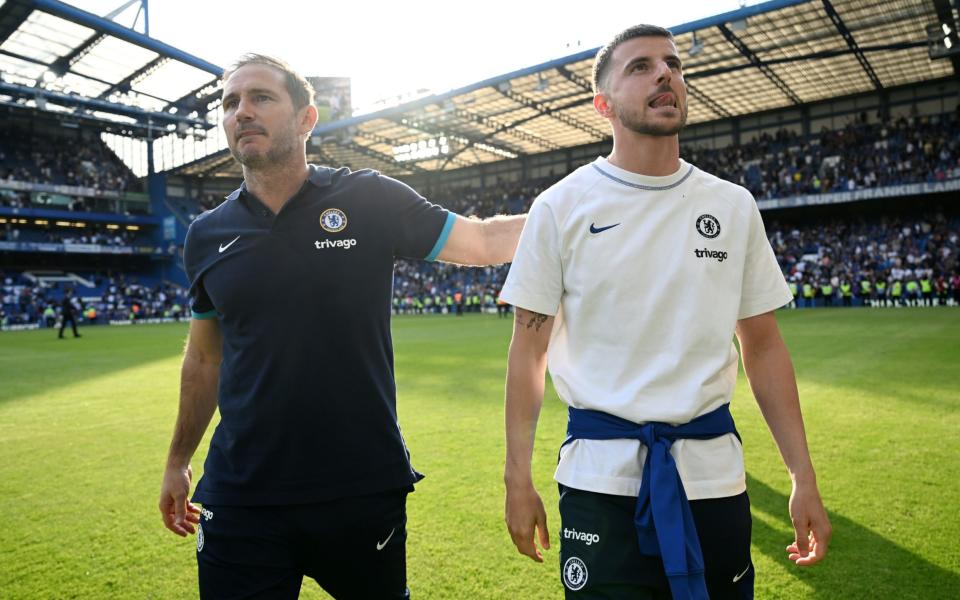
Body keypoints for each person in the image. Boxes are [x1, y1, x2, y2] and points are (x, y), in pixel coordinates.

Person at [158, 54, 525, 599]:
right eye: (230, 103)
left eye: (261, 98)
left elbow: (484, 241)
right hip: (241, 495)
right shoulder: (206, 234)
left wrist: (589, 206)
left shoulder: (367, 197)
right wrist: (178, 460)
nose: (242, 112)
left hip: (360, 486)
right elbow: (205, 359)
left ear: (307, 120)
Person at [500, 25, 831, 600]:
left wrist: (802, 475)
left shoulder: (731, 206)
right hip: (598, 481)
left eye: (673, 64)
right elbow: (528, 350)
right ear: (602, 103)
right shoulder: (559, 207)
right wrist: (517, 475)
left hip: (713, 478)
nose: (665, 74)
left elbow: (764, 344)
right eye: (640, 66)